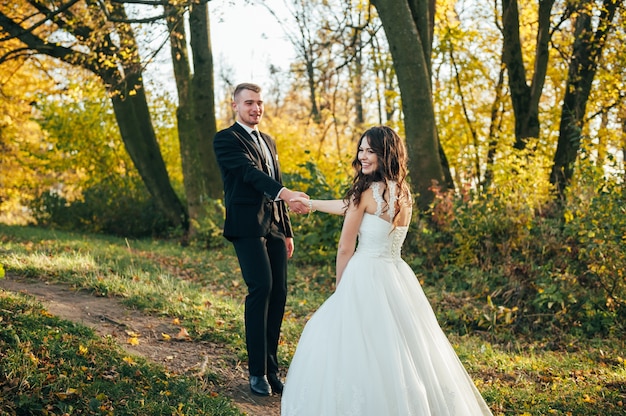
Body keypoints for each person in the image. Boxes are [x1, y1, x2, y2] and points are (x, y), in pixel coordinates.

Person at [281, 126, 493, 415]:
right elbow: (350, 207)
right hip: (396, 274)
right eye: (362, 149)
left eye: (371, 151)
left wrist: (341, 291)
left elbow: (345, 248)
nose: (363, 156)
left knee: (350, 344)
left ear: (386, 154)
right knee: (402, 349)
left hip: (364, 273)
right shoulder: (404, 194)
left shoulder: (366, 192)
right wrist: (311, 204)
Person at [213, 82, 309, 397]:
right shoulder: (226, 140)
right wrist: (287, 194)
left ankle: (271, 369)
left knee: (279, 292)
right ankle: (256, 373)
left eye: (259, 103)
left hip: (275, 227)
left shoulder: (268, 140)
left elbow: (275, 181)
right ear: (235, 106)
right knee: (261, 288)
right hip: (246, 225)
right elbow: (251, 174)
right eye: (249, 103)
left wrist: (288, 231)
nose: (256, 108)